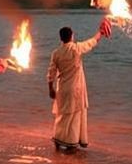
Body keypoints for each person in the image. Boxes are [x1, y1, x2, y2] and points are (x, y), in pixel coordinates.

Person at [46, 20, 112, 150]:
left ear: (61, 38)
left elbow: (51, 73)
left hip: (62, 88)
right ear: (72, 36)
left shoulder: (56, 53)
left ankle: (58, 140)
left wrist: (50, 89)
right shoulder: (76, 49)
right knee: (74, 117)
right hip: (75, 88)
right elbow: (92, 42)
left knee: (62, 115)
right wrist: (101, 32)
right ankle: (71, 143)